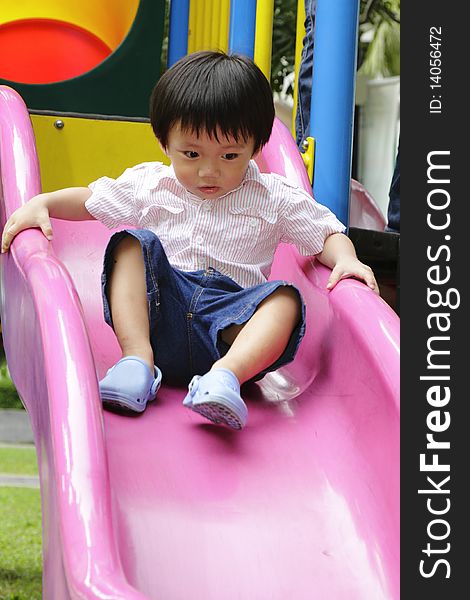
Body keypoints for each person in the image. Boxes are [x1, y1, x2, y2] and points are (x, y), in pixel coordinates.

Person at [1, 51, 378, 430]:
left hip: (230, 325)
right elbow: (91, 199)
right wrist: (43, 203)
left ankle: (224, 378)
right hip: (162, 312)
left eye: (230, 155)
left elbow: (325, 230)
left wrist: (346, 259)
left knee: (285, 299)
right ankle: (137, 362)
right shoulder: (151, 183)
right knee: (132, 244)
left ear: (256, 147)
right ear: (165, 143)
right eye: (192, 153)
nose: (209, 170)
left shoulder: (273, 196)